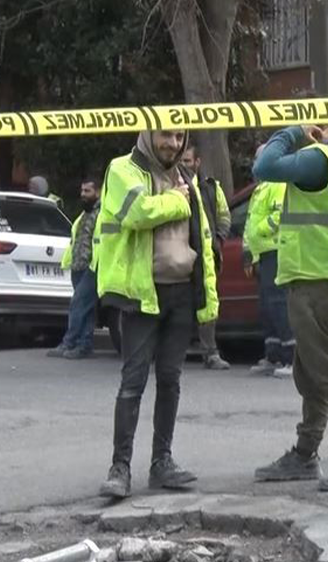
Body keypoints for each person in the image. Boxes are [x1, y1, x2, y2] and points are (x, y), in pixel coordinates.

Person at [95, 129, 220, 499]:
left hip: (180, 293)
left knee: (170, 379)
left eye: (179, 136)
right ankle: (120, 468)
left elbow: (204, 235)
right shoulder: (123, 169)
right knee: (133, 381)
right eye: (165, 135)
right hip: (142, 293)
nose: (173, 143)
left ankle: (161, 463)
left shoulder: (186, 179)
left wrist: (206, 293)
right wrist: (178, 201)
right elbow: (137, 212)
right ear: (148, 134)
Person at [250, 124, 328, 492]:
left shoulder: (322, 159)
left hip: (315, 281)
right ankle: (305, 453)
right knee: (311, 373)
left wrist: (292, 132)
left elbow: (264, 167)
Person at [179, 145, 232, 371]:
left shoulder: (211, 187)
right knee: (181, 302)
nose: (184, 165)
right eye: (182, 160)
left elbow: (224, 216)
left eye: (188, 161)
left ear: (198, 162)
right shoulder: (176, 186)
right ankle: (177, 351)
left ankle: (210, 352)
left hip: (207, 254)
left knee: (209, 303)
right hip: (182, 252)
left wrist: (218, 240)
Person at [243, 172, 293, 377]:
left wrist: (262, 230)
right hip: (263, 253)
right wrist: (250, 255)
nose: (255, 165)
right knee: (267, 307)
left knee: (279, 305)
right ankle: (273, 355)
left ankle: (292, 357)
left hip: (275, 250)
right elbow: (249, 225)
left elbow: (280, 214)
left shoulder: (278, 184)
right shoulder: (260, 189)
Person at [48, 176, 102, 360]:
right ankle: (84, 345)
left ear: (99, 192)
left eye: (88, 191)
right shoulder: (85, 214)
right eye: (82, 191)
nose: (83, 195)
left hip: (93, 266)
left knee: (78, 304)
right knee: (86, 308)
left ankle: (69, 342)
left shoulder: (103, 214)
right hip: (78, 266)